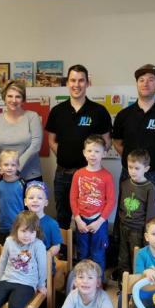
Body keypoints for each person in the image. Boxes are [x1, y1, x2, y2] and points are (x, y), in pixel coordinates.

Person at [45, 64, 113, 229]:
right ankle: (63, 245)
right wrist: (64, 155)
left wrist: (92, 165)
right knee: (63, 216)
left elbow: (106, 141)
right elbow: (52, 140)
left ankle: (86, 246)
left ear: (88, 83)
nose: (77, 84)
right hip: (63, 173)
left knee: (89, 216)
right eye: (73, 80)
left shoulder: (99, 111)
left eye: (81, 80)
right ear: (67, 83)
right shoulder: (57, 111)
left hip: (91, 177)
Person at [112, 64, 155, 215]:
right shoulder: (124, 115)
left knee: (153, 219)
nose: (145, 83)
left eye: (151, 79)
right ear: (137, 84)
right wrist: (133, 162)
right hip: (129, 174)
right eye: (141, 80)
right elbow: (117, 142)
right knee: (127, 217)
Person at [70, 135, 115, 280]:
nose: (93, 154)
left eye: (97, 151)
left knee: (98, 254)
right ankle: (81, 281)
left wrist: (99, 222)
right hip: (81, 221)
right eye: (89, 151)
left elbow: (111, 201)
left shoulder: (107, 176)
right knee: (82, 253)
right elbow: (73, 198)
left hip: (99, 222)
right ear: (84, 153)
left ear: (104, 154)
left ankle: (98, 283)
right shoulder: (78, 174)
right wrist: (78, 220)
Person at [0, 80, 43, 183]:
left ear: (23, 99)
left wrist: (16, 167)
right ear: (4, 97)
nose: (14, 100)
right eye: (10, 96)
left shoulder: (32, 117)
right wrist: (1, 168)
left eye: (18, 96)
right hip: (4, 176)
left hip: (30, 176)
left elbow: (36, 145)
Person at [116, 149, 155, 278]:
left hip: (138, 230)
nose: (133, 171)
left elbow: (152, 216)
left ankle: (136, 284)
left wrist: (147, 235)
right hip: (123, 227)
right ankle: (123, 284)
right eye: (130, 167)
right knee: (122, 258)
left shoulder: (150, 188)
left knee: (136, 259)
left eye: (137, 168)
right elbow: (120, 207)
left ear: (146, 168)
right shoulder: (124, 184)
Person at [0, 150, 26, 245]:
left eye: (13, 165)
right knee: (4, 249)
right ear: (0, 165)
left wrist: (26, 222)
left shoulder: (22, 183)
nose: (9, 168)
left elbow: (27, 205)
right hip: (3, 225)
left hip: (20, 225)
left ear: (18, 166)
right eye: (6, 165)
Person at [24, 181, 62, 260]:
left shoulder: (52, 224)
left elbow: (57, 245)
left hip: (45, 262)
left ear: (46, 202)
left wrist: (48, 254)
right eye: (31, 198)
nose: (35, 200)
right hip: (25, 262)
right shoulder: (21, 221)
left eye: (40, 198)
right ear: (25, 202)